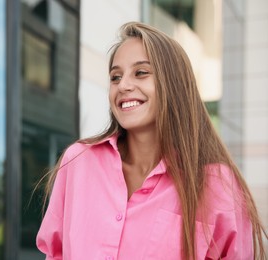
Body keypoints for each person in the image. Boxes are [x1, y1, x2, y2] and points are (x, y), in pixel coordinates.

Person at [36, 22, 267, 260]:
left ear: (174, 85)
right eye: (115, 77)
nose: (123, 85)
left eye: (141, 72)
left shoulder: (217, 185)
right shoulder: (78, 162)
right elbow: (56, 253)